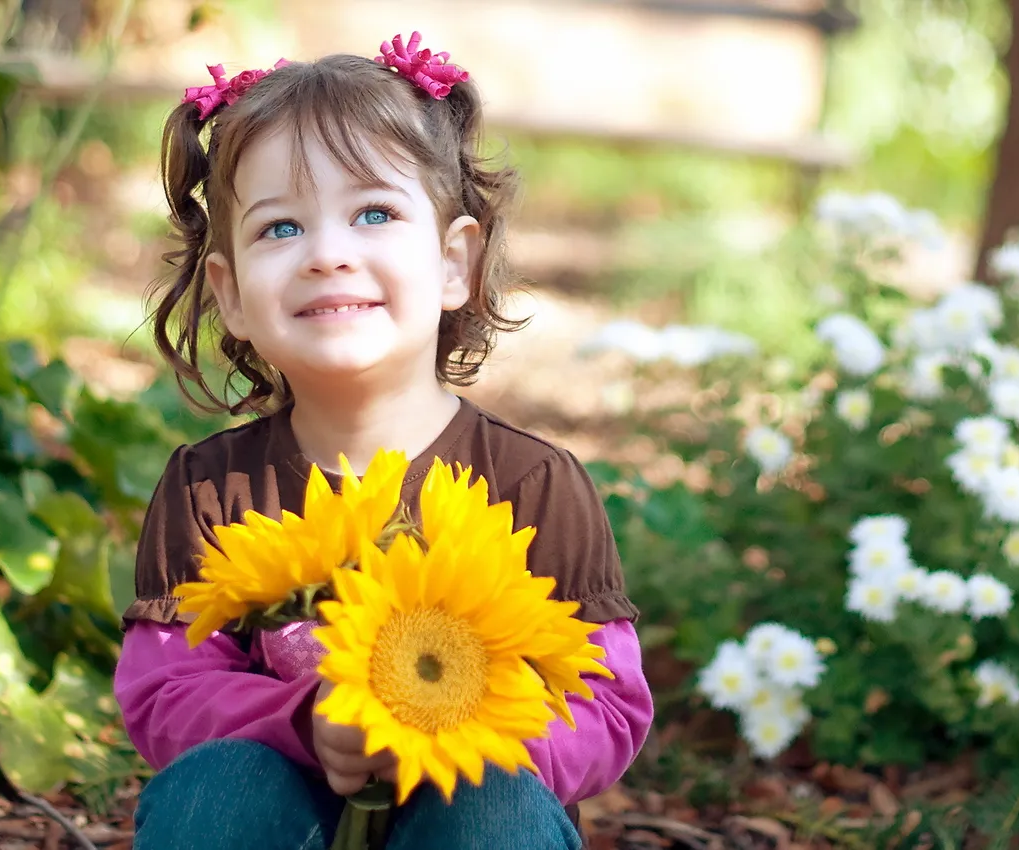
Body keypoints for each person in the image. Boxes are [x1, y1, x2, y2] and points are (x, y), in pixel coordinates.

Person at [113, 34, 653, 850]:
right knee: (215, 792)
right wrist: (305, 719)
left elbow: (608, 706)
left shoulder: (534, 486)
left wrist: (459, 731)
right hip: (281, 815)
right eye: (280, 228)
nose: (329, 254)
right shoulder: (209, 489)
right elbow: (165, 691)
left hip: (469, 802)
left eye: (374, 214)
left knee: (493, 805)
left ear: (452, 262)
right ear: (229, 294)